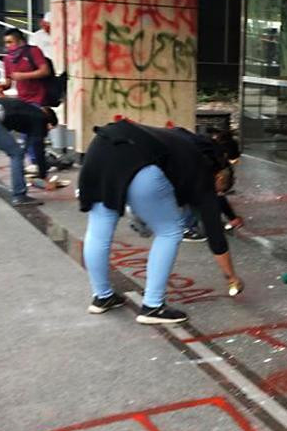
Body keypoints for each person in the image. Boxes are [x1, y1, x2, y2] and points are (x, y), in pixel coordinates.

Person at [79, 120, 243, 325]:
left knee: (98, 229)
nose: (217, 196)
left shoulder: (188, 141)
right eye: (220, 191)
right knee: (170, 231)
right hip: (140, 161)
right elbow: (215, 236)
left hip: (101, 147)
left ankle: (102, 297)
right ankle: (153, 306)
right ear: (219, 176)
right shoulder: (203, 173)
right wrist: (231, 277)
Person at [0, 98, 59, 206]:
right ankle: (19, 195)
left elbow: (29, 143)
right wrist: (43, 176)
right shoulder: (40, 118)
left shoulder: (30, 112)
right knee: (16, 153)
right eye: (49, 129)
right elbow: (38, 148)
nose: (47, 132)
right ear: (49, 123)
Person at [0, 27, 50, 106]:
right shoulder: (7, 59)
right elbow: (8, 83)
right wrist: (1, 86)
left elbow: (45, 71)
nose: (7, 45)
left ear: (20, 41)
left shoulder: (33, 51)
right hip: (22, 99)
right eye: (6, 43)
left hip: (39, 97)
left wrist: (23, 75)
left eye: (10, 42)